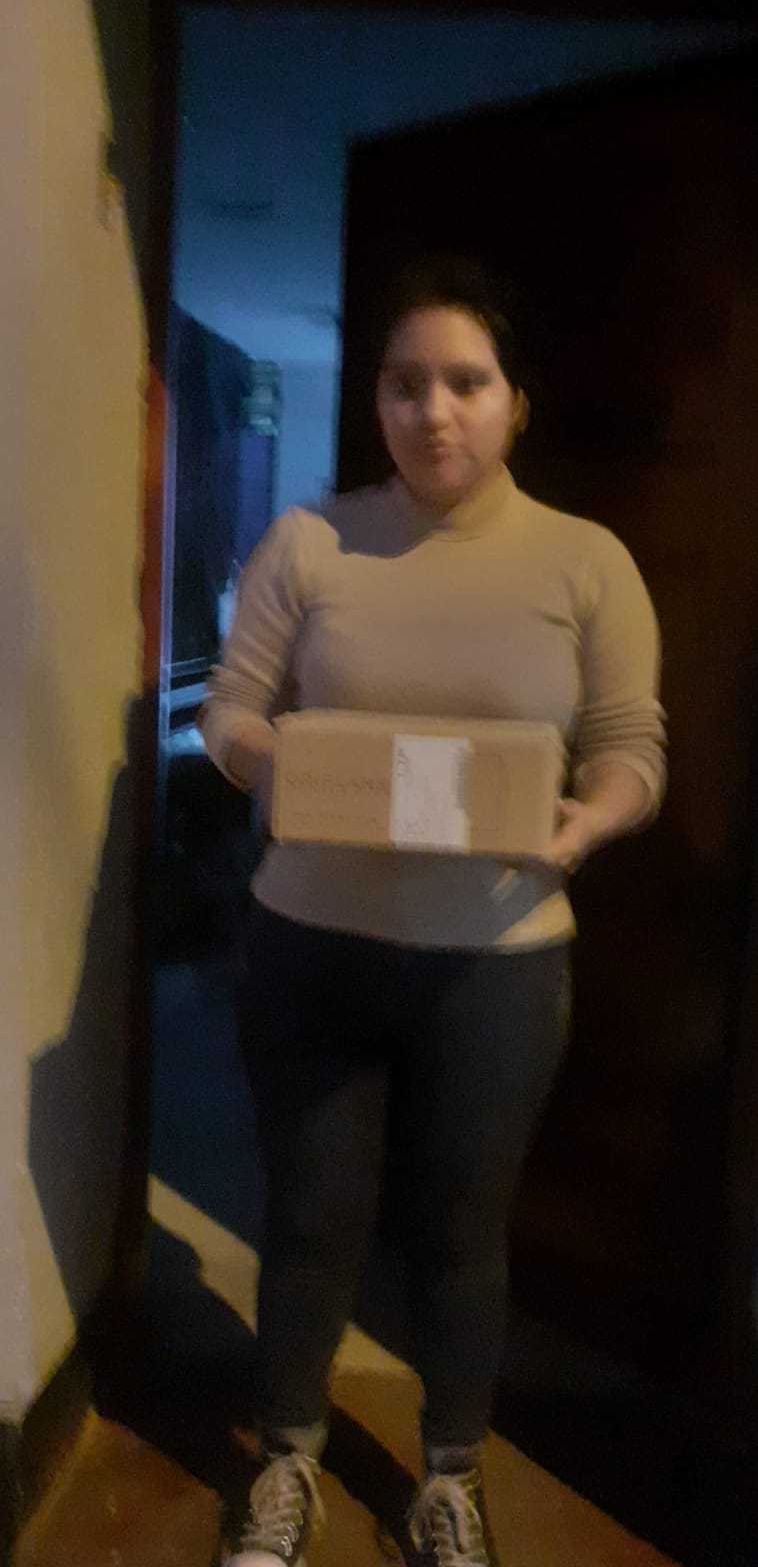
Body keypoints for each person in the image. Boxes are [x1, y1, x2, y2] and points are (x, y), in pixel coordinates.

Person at [201, 255, 666, 1567]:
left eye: (466, 382)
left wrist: (586, 821)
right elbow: (229, 710)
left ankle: (448, 1479)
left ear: (516, 401)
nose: (433, 412)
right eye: (405, 385)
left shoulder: (585, 561)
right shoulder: (311, 542)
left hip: (496, 962)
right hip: (311, 947)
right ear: (377, 402)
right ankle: (285, 1462)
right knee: (310, 1221)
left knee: (463, 1234)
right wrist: (279, 766)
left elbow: (632, 746)